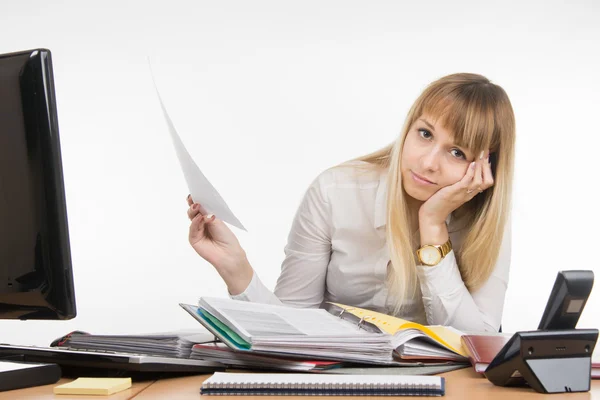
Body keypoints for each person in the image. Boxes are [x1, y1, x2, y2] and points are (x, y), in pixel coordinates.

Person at [186, 73, 515, 333]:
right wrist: (236, 268)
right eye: (425, 134)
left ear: (486, 168)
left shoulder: (486, 223)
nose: (429, 163)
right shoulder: (336, 192)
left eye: (457, 152)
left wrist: (432, 226)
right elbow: (288, 327)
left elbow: (479, 345)